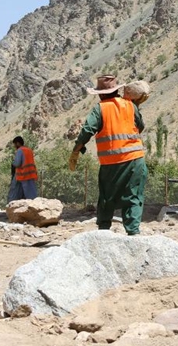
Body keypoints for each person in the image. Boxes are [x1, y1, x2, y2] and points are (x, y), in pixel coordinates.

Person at [69, 75, 148, 235]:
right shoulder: (130, 105)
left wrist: (76, 151)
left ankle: (104, 231)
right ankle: (133, 233)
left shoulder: (100, 108)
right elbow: (140, 127)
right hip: (135, 160)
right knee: (133, 196)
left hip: (111, 163)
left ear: (101, 93)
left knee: (107, 197)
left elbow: (87, 130)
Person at [8, 136, 38, 202]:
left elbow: (17, 163)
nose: (14, 146)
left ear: (18, 143)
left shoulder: (20, 150)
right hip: (31, 174)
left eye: (15, 144)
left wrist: (13, 163)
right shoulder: (29, 150)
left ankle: (11, 206)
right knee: (31, 194)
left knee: (14, 192)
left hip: (22, 174)